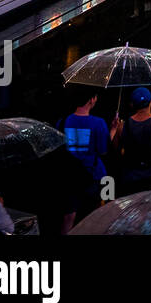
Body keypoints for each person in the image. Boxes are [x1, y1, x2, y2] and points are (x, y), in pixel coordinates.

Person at [58, 87, 113, 231]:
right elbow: (103, 150)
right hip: (94, 175)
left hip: (69, 175)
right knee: (96, 214)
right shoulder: (98, 123)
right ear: (91, 99)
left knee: (68, 217)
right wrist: (112, 132)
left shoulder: (63, 121)